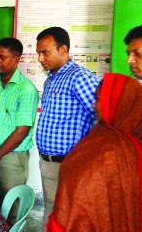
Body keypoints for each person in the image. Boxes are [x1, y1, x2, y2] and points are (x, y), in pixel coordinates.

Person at [47, 73, 142, 232]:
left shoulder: (110, 148)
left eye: (98, 99)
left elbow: (84, 191)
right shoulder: (110, 136)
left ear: (118, 104)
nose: (93, 105)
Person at [35, 26, 100, 227]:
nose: (40, 58)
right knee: (51, 212)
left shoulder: (78, 77)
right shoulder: (51, 80)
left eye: (45, 52)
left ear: (63, 50)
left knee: (68, 217)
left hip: (69, 164)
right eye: (38, 53)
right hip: (48, 163)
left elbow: (101, 117)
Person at [0, 38, 39, 224]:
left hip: (12, 158)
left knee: (12, 209)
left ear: (16, 59)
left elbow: (22, 130)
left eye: (2, 57)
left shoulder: (26, 90)